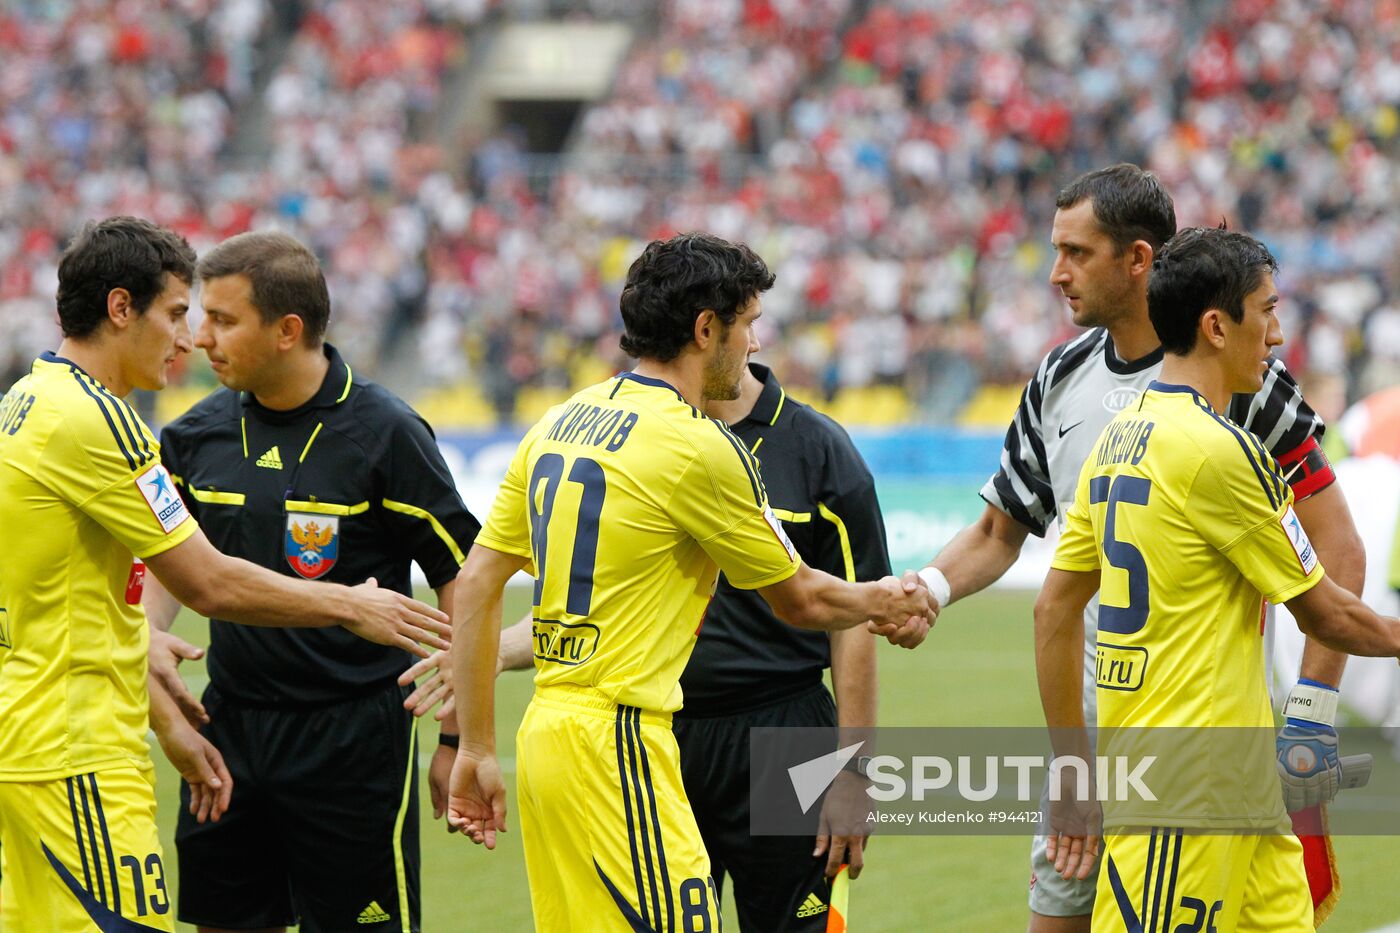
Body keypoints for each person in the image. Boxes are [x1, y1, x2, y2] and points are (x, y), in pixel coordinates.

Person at [912, 164, 1364, 932]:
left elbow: (1338, 546)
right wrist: (927, 587)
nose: (1056, 273)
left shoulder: (1241, 374)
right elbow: (998, 530)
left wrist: (1313, 714)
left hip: (1200, 756)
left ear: (1139, 259)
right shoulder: (1059, 376)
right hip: (1084, 747)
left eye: (1076, 252)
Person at [441, 232, 933, 932]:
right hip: (629, 738)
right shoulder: (698, 444)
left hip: (562, 731)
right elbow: (802, 598)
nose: (754, 342)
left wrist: (476, 744)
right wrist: (884, 598)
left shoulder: (561, 421)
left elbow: (477, 581)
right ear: (706, 329)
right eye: (747, 323)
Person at [0, 217, 449, 932]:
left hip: (39, 737)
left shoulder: (25, 401)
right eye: (178, 314)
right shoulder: (101, 420)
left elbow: (101, 591)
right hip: (76, 750)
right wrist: (347, 604)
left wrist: (156, 693)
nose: (189, 340)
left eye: (210, 318)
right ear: (121, 309)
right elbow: (204, 581)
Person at [1034, 225, 1400, 933]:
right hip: (1184, 794)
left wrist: (1073, 768)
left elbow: (1053, 609)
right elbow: (1327, 613)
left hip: (1232, 789)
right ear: (1215, 326)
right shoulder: (1219, 452)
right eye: (1266, 311)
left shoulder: (1117, 439)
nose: (1276, 334)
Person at [141, 230, 479, 933]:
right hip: (228, 727)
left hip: (352, 737)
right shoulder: (193, 435)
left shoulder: (386, 432)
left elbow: (460, 577)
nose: (201, 338)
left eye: (224, 320)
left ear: (287, 330)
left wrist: (457, 737)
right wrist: (149, 632)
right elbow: (173, 558)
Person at [489, 360, 886, 930]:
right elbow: (600, 599)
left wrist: (855, 771)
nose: (749, 336)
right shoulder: (634, 438)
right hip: (654, 737)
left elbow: (854, 617)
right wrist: (494, 652)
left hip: (785, 735)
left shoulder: (817, 448)